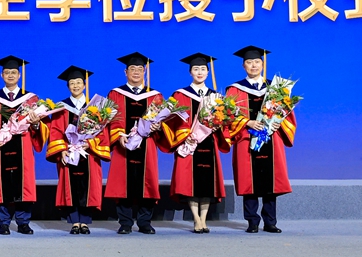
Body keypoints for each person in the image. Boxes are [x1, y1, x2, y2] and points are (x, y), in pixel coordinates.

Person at [224, 46, 297, 234]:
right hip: (245, 138)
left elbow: (287, 114)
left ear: (262, 64)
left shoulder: (276, 89)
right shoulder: (234, 89)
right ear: (244, 66)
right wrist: (247, 122)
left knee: (270, 182)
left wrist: (278, 123)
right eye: (249, 62)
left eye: (257, 62)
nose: (253, 65)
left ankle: (270, 222)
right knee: (249, 181)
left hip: (271, 140)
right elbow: (228, 115)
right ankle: (252, 222)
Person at [0, 55, 49, 236]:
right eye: (7, 72)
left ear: (19, 75)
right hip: (0, 149)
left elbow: (43, 125)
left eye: (13, 72)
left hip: (23, 146)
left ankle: (23, 222)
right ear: (2, 75)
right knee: (0, 184)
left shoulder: (31, 100)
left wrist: (36, 123)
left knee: (24, 183)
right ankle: (3, 223)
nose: (10, 75)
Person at [167, 53, 230, 234]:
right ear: (190, 72)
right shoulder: (180, 95)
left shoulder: (216, 97)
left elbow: (224, 123)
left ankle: (203, 219)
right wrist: (185, 135)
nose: (200, 72)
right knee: (190, 183)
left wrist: (220, 123)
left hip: (209, 144)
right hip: (189, 144)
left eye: (203, 69)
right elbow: (172, 120)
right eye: (196, 69)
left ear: (208, 72)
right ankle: (196, 219)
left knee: (207, 184)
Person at [104, 52, 165, 235]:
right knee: (123, 183)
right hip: (123, 145)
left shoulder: (155, 96)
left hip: (148, 145)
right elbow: (112, 119)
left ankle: (145, 222)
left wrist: (158, 126)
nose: (136, 72)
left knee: (147, 182)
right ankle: (125, 223)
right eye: (132, 68)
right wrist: (118, 135)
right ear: (126, 72)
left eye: (140, 68)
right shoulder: (115, 94)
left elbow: (162, 121)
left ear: (145, 71)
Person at [45, 66, 109, 235]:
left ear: (84, 85)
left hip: (89, 153)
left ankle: (85, 222)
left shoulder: (95, 107)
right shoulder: (61, 107)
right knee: (71, 186)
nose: (75, 86)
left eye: (78, 82)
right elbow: (55, 131)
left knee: (88, 186)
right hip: (69, 152)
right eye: (72, 83)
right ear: (68, 86)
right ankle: (74, 222)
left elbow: (103, 133)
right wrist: (61, 150)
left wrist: (91, 144)